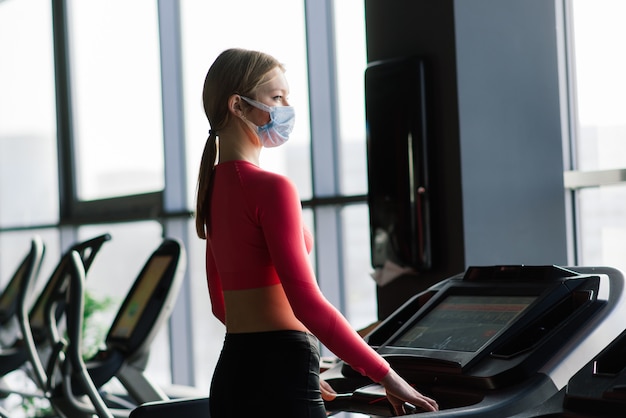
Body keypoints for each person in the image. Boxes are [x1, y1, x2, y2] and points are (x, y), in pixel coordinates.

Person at [195, 48, 438, 417]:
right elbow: (306, 304)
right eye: (276, 97)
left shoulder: (212, 189)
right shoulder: (271, 188)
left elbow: (220, 304)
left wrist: (303, 365)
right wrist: (388, 376)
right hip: (282, 375)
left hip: (233, 375)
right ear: (237, 106)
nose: (287, 107)